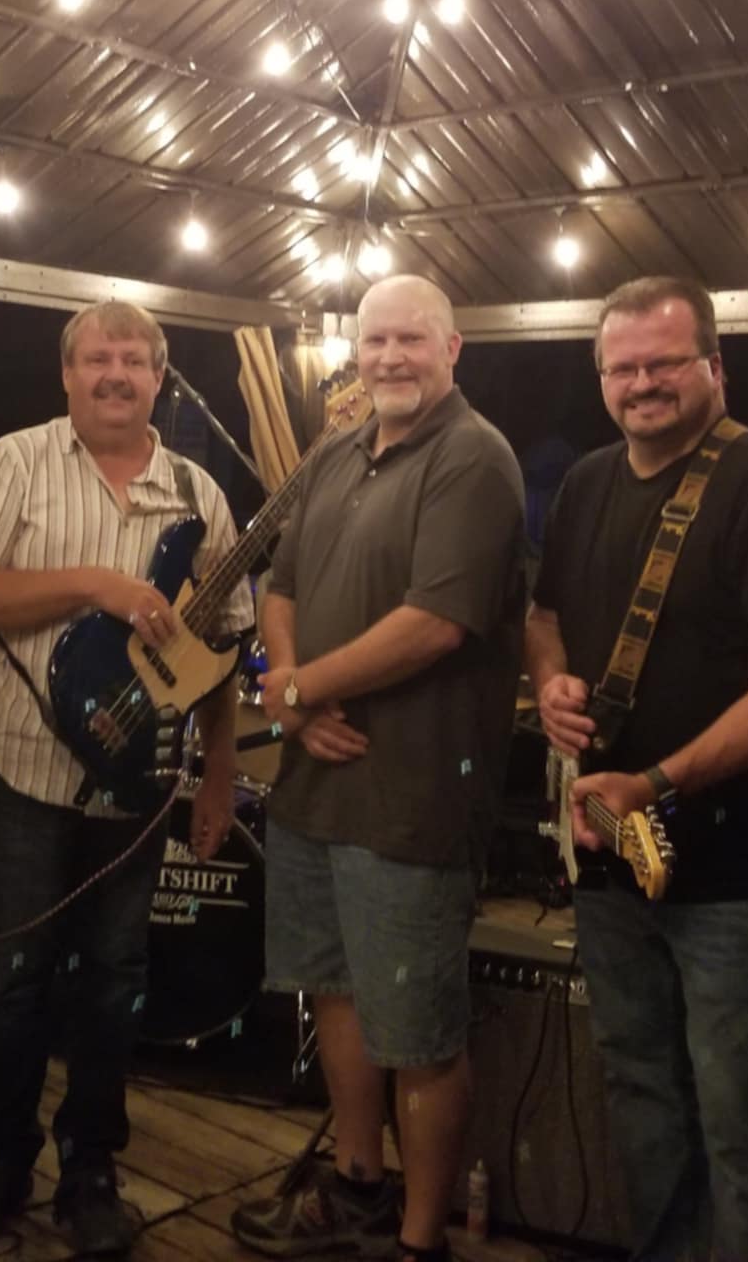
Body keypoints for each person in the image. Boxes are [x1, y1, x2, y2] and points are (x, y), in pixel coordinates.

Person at [524, 275, 748, 1262]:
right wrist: (548, 685)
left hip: (735, 874)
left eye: (661, 363)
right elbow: (542, 618)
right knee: (640, 1092)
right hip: (610, 859)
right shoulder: (586, 484)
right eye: (619, 368)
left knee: (739, 1124)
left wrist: (655, 782)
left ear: (713, 365)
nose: (640, 384)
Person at [0, 300, 252, 1257]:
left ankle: (90, 1167)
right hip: (25, 767)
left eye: (135, 361)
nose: (116, 374)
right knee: (13, 978)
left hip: (142, 782)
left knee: (114, 981)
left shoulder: (199, 492)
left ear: (161, 377)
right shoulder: (16, 460)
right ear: (66, 376)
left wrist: (220, 771)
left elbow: (223, 646)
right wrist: (94, 585)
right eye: (97, 360)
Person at [231, 275, 527, 1262]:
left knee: (419, 1032)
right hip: (312, 785)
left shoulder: (474, 459)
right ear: (354, 354)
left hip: (410, 797)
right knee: (334, 992)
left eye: (410, 340)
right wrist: (288, 691)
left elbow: (435, 623)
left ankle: (416, 1239)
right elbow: (279, 586)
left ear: (452, 351)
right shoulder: (335, 453)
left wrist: (299, 689)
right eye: (374, 342)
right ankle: (356, 1187)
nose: (389, 357)